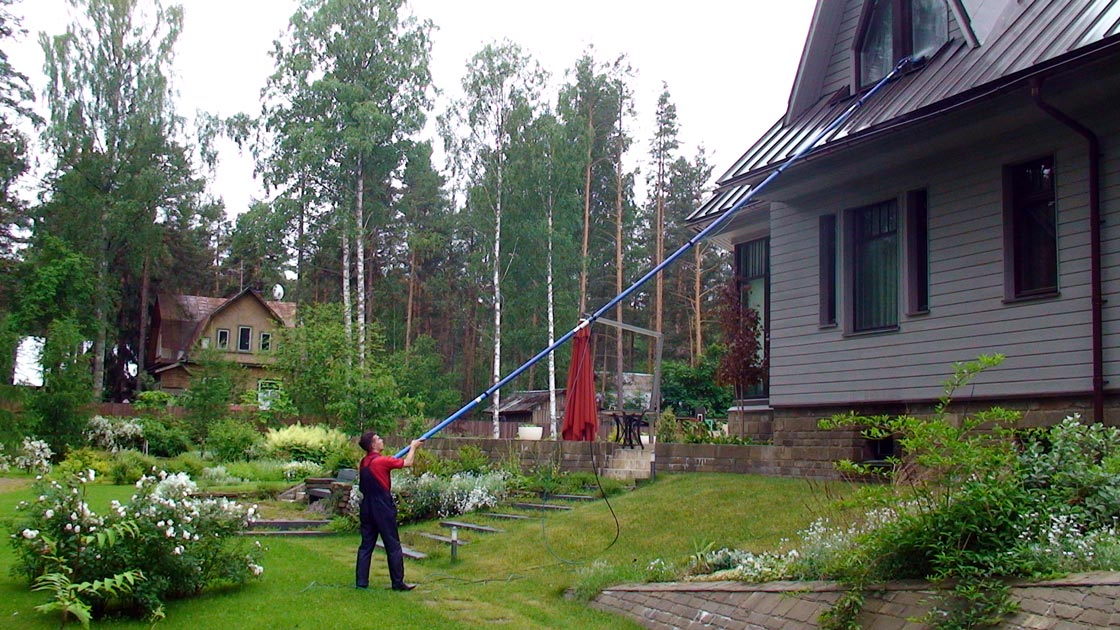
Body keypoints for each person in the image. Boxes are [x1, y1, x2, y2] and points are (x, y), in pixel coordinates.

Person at [355, 432, 424, 591]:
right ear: (373, 445)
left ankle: (361, 582)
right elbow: (408, 463)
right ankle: (398, 583)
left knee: (366, 545)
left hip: (366, 505)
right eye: (378, 439)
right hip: (382, 506)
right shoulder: (382, 461)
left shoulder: (364, 462)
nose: (382, 440)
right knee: (392, 544)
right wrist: (413, 447)